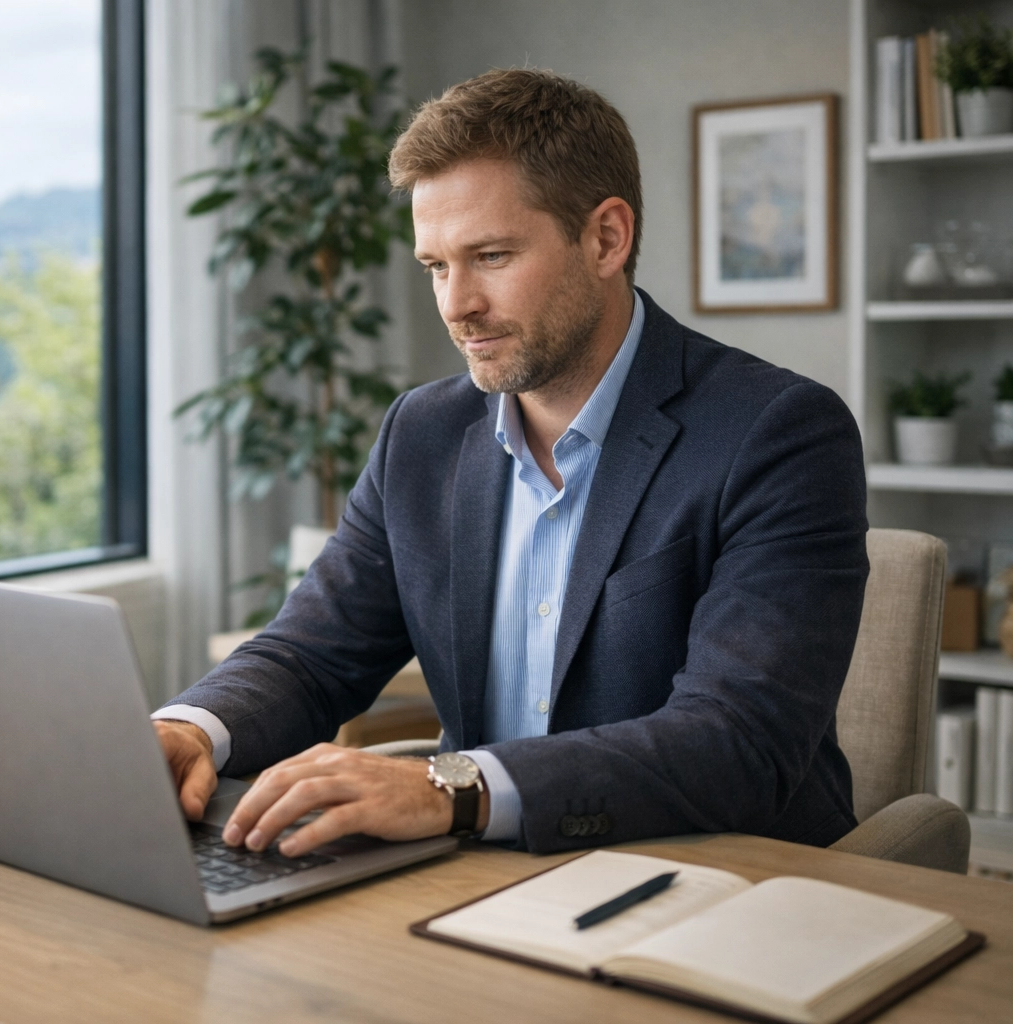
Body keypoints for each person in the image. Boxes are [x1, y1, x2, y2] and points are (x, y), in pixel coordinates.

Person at [152, 68, 868, 858]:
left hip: (714, 884)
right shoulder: (421, 433)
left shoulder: (777, 433)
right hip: (483, 878)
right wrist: (191, 728)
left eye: (490, 255)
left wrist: (450, 788)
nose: (456, 304)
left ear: (606, 237)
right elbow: (312, 653)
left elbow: (738, 742)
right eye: (435, 265)